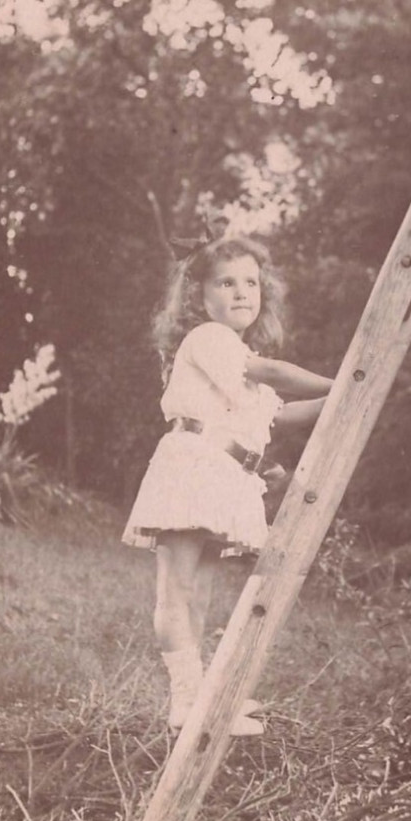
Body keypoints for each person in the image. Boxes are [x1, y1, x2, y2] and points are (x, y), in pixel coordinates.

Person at [122, 235, 333, 735]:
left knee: (200, 595)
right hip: (190, 467)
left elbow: (281, 414)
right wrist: (345, 379)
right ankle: (186, 701)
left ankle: (201, 697)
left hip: (223, 478)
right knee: (177, 588)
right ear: (200, 296)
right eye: (226, 282)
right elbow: (275, 373)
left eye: (251, 282)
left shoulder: (243, 364)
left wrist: (345, 399)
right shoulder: (210, 339)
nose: (242, 292)